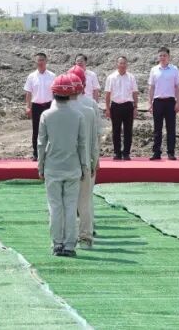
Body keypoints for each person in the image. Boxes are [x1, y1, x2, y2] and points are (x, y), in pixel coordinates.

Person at [37, 74, 87, 257]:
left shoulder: (46, 115)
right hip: (73, 167)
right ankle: (70, 245)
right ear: (71, 93)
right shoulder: (78, 116)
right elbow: (82, 144)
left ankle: (57, 243)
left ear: (53, 93)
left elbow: (41, 143)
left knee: (55, 207)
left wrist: (40, 166)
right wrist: (84, 167)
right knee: (71, 207)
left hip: (52, 167)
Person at [67, 70, 99, 249]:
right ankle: (86, 236)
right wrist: (95, 160)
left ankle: (65, 238)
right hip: (86, 161)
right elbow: (95, 136)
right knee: (85, 200)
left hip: (64, 163)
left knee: (65, 202)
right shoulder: (90, 107)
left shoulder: (53, 110)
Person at [147, 47, 179, 161]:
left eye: (164, 55)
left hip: (170, 101)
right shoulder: (154, 70)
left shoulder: (174, 69)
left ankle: (171, 152)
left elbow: (177, 86)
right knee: (157, 128)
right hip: (158, 101)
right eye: (160, 55)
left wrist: (178, 102)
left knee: (171, 128)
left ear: (169, 57)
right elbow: (151, 87)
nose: (162, 57)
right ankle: (156, 152)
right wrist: (150, 103)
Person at [104, 56, 138, 160]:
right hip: (115, 106)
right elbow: (107, 94)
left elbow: (135, 93)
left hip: (128, 105)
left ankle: (126, 153)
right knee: (116, 130)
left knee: (128, 130)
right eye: (120, 63)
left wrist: (135, 107)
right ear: (117, 64)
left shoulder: (131, 77)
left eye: (124, 63)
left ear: (127, 64)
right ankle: (117, 153)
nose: (122, 65)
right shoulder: (111, 77)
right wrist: (107, 108)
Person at [24, 52, 55, 161]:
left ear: (46, 61)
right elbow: (28, 93)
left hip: (49, 106)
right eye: (38, 60)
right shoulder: (31, 76)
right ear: (35, 62)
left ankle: (49, 153)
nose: (40, 62)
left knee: (50, 130)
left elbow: (55, 92)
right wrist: (28, 107)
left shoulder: (52, 76)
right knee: (36, 130)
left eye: (42, 60)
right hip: (36, 106)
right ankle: (36, 153)